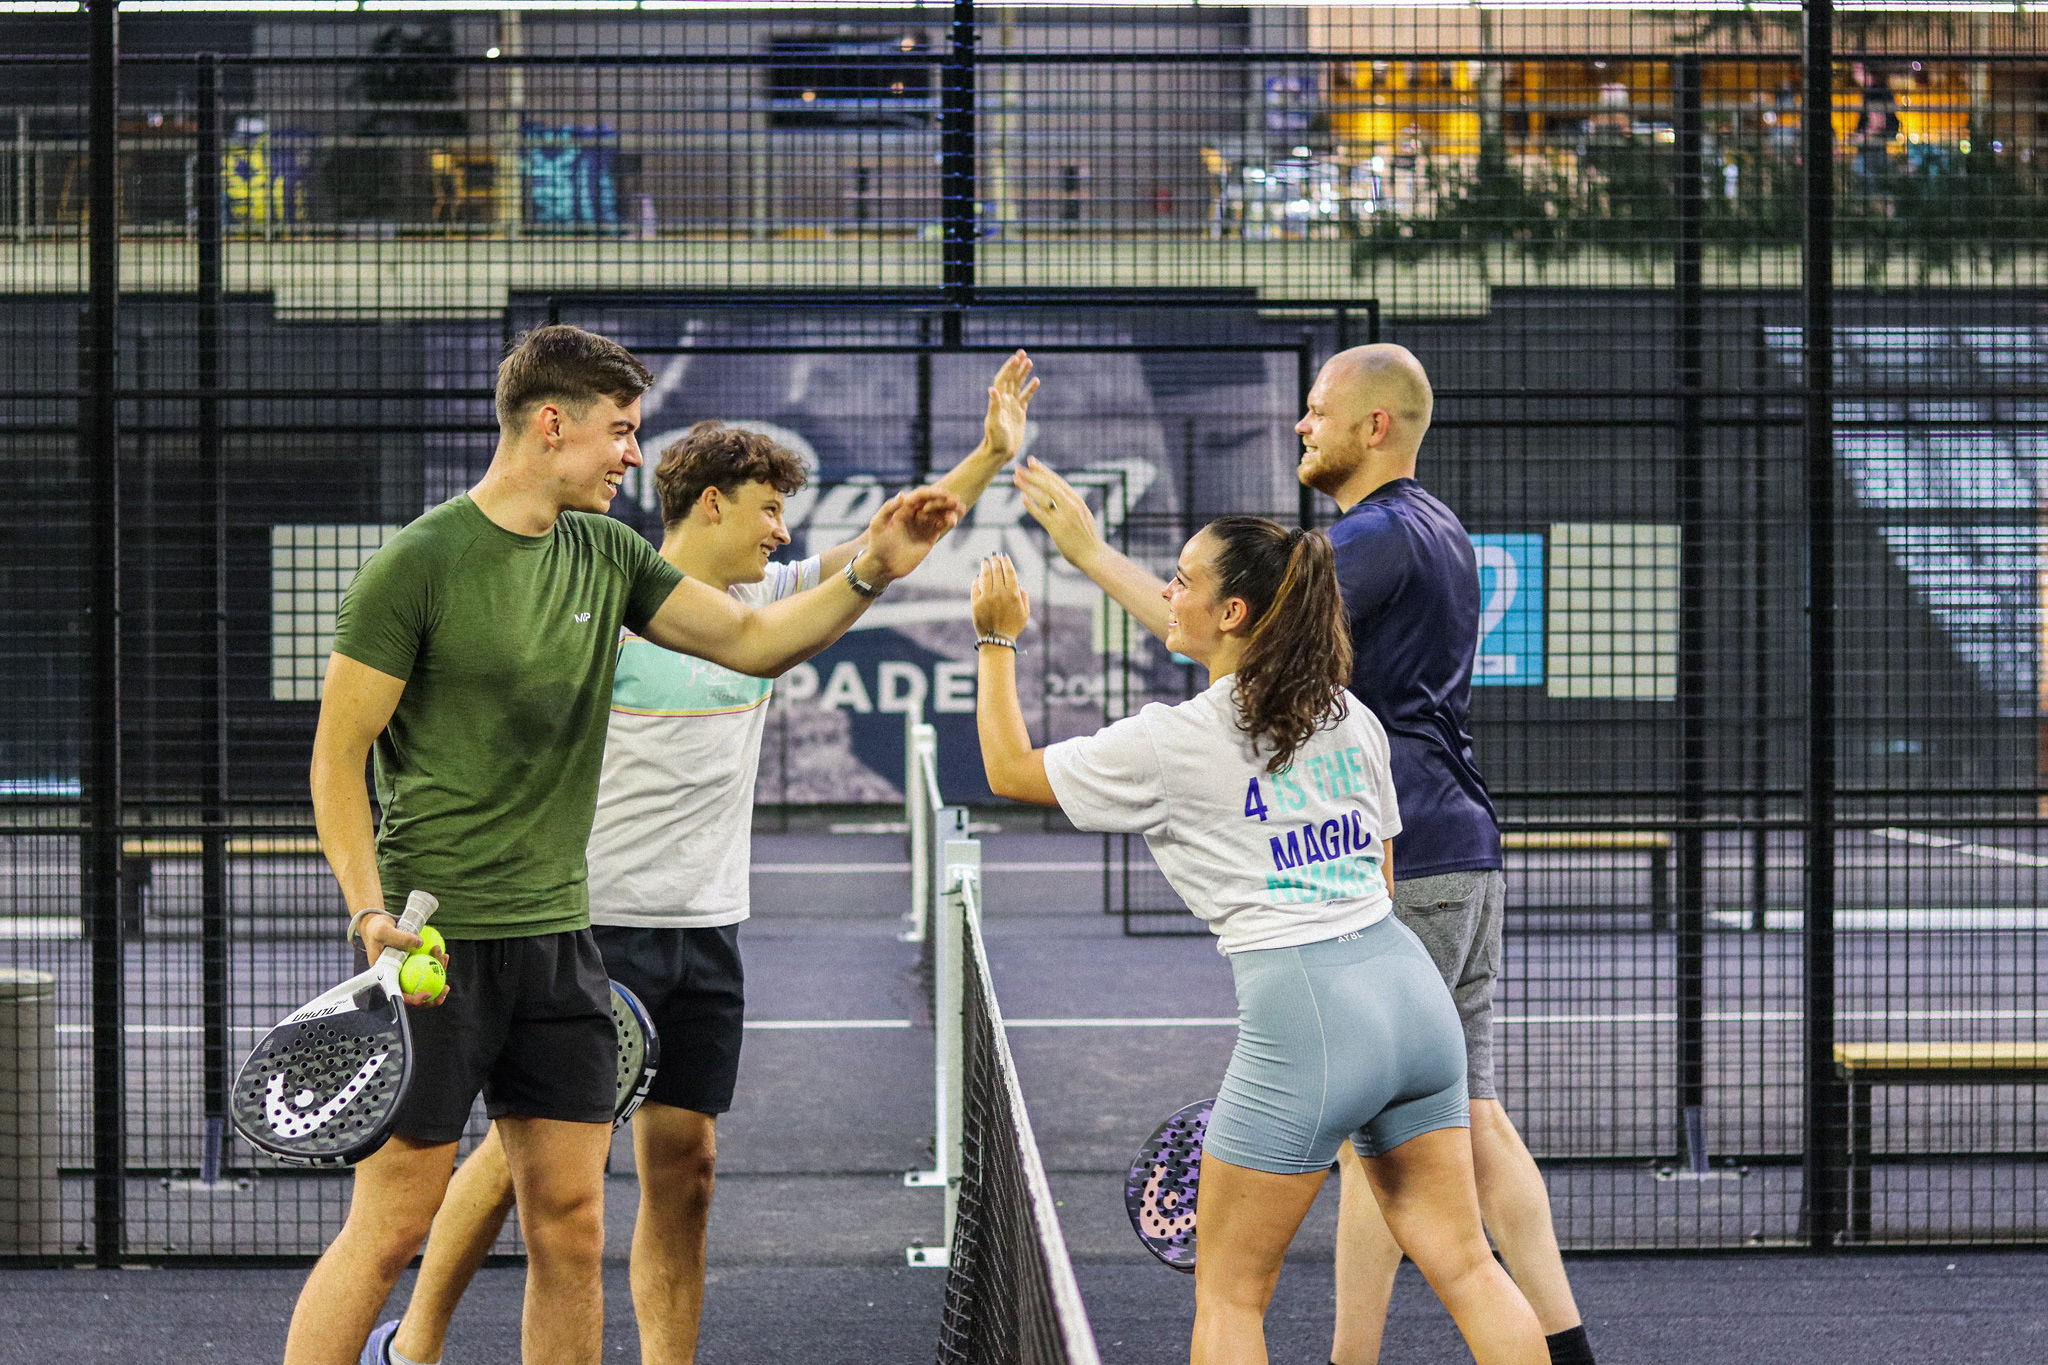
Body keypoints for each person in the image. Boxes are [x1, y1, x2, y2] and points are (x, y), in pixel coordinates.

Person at [289, 323, 965, 1365]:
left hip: (564, 946)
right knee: (391, 1231)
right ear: (550, 425)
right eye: (619, 432)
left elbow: (749, 641)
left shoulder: (605, 554)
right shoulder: (415, 568)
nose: (632, 456)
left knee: (572, 1227)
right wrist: (369, 912)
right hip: (437, 948)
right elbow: (337, 762)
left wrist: (874, 568)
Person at [1012, 343, 1594, 1365]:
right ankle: (1561, 1345)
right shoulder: (1440, 525)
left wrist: (1090, 556)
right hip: (1459, 840)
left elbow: (1234, 642)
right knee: (1469, 1138)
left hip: (1388, 861)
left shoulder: (1359, 543)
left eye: (1317, 410)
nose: (1298, 425)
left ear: (1374, 425)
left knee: (1390, 1161)